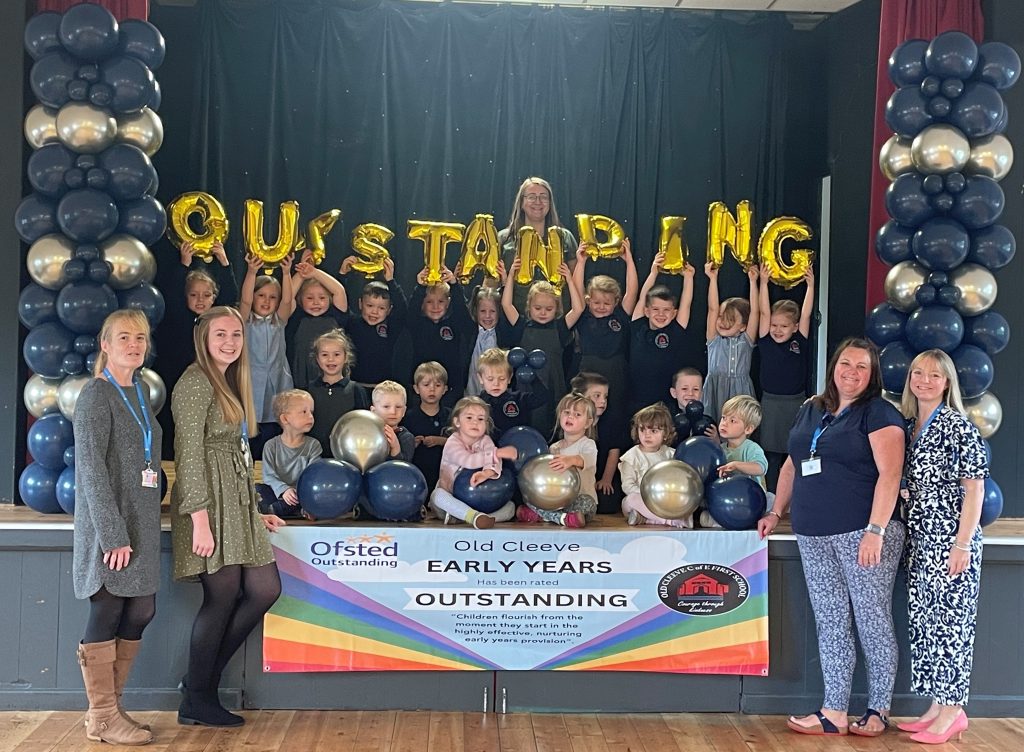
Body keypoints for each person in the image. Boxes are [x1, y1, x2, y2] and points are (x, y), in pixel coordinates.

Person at [758, 337, 906, 738]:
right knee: (831, 623)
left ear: (872, 373)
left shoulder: (879, 414)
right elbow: (792, 462)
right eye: (845, 364)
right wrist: (776, 511)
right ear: (833, 367)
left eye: (861, 366)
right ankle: (834, 711)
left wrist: (875, 530)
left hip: (864, 533)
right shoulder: (812, 409)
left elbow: (891, 475)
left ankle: (877, 709)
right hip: (813, 533)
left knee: (872, 621)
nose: (851, 373)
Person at [171, 306, 285, 727]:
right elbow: (189, 453)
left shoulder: (228, 381)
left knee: (263, 588)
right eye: (221, 334)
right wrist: (199, 518)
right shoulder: (195, 382)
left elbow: (237, 451)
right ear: (204, 338)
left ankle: (199, 684)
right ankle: (199, 697)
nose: (230, 342)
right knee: (220, 597)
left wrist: (256, 510)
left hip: (235, 499)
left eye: (236, 334)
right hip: (209, 502)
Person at [73, 310, 162, 746]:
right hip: (111, 526)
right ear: (105, 344)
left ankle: (112, 707)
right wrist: (113, 533)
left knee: (141, 610)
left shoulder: (140, 391)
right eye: (124, 337)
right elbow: (90, 469)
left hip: (140, 519)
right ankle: (102, 717)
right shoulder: (96, 395)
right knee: (108, 609)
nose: (134, 344)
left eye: (140, 338)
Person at [897, 349, 987, 744]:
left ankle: (953, 711)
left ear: (947, 382)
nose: (925, 380)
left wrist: (962, 543)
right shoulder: (909, 424)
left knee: (952, 625)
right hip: (920, 540)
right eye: (918, 372)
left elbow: (975, 488)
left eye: (935, 375)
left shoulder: (957, 425)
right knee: (928, 624)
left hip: (951, 539)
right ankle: (937, 706)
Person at [501, 257, 584, 432]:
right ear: (529, 306)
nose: (543, 313)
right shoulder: (522, 325)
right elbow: (506, 304)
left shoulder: (560, 328)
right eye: (538, 308)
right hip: (525, 389)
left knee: (550, 428)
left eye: (549, 309)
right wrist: (510, 276)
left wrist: (569, 279)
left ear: (557, 308)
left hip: (553, 388)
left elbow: (578, 309)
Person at [570, 239, 638, 445]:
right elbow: (576, 289)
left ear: (615, 302)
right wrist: (580, 262)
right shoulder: (583, 314)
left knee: (614, 417)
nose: (601, 307)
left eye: (607, 303)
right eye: (596, 302)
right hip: (588, 369)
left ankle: (609, 469)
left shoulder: (619, 316)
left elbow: (632, 292)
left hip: (615, 370)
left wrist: (629, 261)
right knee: (584, 415)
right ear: (588, 299)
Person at [757, 265, 814, 489]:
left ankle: (793, 495)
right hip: (771, 402)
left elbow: (807, 313)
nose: (777, 330)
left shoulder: (798, 340)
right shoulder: (766, 340)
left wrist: (810, 286)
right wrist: (763, 284)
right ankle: (771, 495)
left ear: (795, 327)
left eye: (783, 326)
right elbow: (762, 311)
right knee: (771, 452)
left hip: (795, 402)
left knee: (794, 451)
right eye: (774, 325)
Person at [429, 396, 519, 527]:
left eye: (480, 419)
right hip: (451, 497)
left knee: (510, 507)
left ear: (486, 424)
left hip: (480, 501)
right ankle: (471, 516)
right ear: (457, 422)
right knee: (437, 496)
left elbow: (495, 462)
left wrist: (486, 473)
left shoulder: (486, 440)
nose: (475, 422)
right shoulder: (452, 442)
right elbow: (467, 460)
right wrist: (497, 453)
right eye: (469, 418)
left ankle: (477, 518)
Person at [240, 252, 296, 458]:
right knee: (249, 433)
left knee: (273, 432)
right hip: (251, 384)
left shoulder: (278, 321)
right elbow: (245, 302)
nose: (266, 301)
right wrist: (252, 272)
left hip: (276, 384)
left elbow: (288, 299)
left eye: (273, 297)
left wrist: (287, 273)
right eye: (261, 295)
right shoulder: (245, 320)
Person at [629, 252, 698, 413]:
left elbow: (686, 304)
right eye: (656, 309)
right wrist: (653, 272)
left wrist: (688, 278)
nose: (661, 314)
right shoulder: (639, 326)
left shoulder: (675, 330)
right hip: (637, 400)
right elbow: (642, 298)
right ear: (647, 311)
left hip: (665, 403)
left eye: (667, 310)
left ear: (674, 313)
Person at [516, 392, 598, 528]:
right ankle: (561, 518)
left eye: (577, 414)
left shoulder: (587, 444)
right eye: (566, 412)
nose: (570, 416)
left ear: (588, 422)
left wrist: (571, 460)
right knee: (528, 499)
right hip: (556, 501)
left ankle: (542, 516)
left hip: (579, 500)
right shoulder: (554, 448)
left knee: (587, 503)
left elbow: (589, 460)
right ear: (560, 415)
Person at [496, 177, 577, 312]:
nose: (538, 202)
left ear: (550, 203)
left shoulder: (565, 237)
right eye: (531, 197)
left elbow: (576, 283)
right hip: (514, 320)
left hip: (558, 322)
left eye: (543, 197)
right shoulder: (504, 238)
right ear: (521, 202)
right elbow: (491, 282)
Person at [408, 266, 475, 406]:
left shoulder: (454, 323)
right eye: (429, 302)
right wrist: (420, 287)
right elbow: (411, 312)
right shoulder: (417, 324)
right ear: (422, 304)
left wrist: (454, 285)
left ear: (448, 302)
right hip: (422, 389)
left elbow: (463, 314)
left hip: (451, 388)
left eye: (441, 301)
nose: (435, 306)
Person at [702, 262, 760, 420]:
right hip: (716, 390)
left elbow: (755, 312)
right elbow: (713, 308)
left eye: (730, 320)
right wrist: (713, 279)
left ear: (743, 326)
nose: (723, 323)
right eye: (722, 317)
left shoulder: (745, 340)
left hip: (740, 391)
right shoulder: (714, 339)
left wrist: (753, 282)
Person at [339, 258, 408, 390]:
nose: (374, 312)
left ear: (389, 310)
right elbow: (340, 302)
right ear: (360, 304)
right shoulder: (353, 323)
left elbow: (402, 309)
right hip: (355, 387)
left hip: (383, 389)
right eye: (369, 305)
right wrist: (343, 274)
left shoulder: (391, 327)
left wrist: (391, 281)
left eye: (381, 308)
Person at [703, 395, 769, 528]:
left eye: (733, 420)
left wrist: (736, 465)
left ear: (748, 429)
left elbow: (760, 468)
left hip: (747, 501)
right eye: (723, 418)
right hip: (725, 499)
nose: (724, 423)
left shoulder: (751, 448)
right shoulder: (721, 449)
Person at [255, 389, 322, 519]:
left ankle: (296, 509)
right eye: (304, 412)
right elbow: (268, 476)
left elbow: (312, 476)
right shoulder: (271, 446)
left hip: (302, 494)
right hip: (278, 493)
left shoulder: (313, 445)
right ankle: (281, 509)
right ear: (285, 418)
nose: (310, 417)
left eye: (311, 412)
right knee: (259, 490)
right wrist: (284, 490)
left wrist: (298, 493)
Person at [284, 260, 348, 390]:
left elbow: (339, 290)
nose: (316, 303)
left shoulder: (336, 314)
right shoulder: (296, 317)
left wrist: (314, 272)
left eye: (322, 298)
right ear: (300, 299)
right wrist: (302, 272)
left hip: (332, 378)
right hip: (301, 380)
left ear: (329, 299)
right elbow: (287, 297)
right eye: (309, 298)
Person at [307, 329, 369, 456]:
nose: (331, 359)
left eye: (336, 354)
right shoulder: (308, 391)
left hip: (347, 455)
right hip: (314, 456)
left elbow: (363, 426)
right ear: (317, 359)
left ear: (346, 357)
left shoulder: (356, 390)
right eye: (324, 355)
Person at [619, 403, 683, 527]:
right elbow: (627, 485)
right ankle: (666, 520)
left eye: (653, 431)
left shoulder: (671, 454)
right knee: (629, 501)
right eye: (642, 430)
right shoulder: (631, 456)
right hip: (642, 499)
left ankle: (649, 520)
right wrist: (649, 496)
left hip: (665, 500)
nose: (647, 435)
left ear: (665, 434)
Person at [570, 371, 626, 514]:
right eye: (597, 396)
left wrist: (606, 480)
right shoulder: (571, 421)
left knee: (607, 503)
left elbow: (613, 452)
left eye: (605, 397)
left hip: (600, 476)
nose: (602, 401)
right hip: (577, 478)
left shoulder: (610, 423)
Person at [476, 347, 550, 439]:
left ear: (510, 378)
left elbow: (542, 397)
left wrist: (531, 376)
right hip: (486, 450)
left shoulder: (518, 399)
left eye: (502, 379)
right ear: (480, 378)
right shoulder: (476, 404)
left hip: (517, 448)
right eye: (490, 379)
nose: (496, 383)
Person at [404, 361, 451, 490]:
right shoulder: (408, 417)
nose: (432, 389)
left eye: (437, 385)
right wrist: (411, 443)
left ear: (445, 389)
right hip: (416, 474)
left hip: (444, 473)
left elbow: (463, 443)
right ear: (416, 388)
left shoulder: (451, 416)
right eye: (426, 384)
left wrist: (441, 441)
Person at [464, 284, 503, 397]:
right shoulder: (470, 331)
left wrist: (506, 283)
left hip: (498, 396)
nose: (487, 316)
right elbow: (460, 307)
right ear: (476, 311)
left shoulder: (503, 334)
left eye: (492, 311)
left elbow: (507, 304)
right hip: (472, 393)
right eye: (483, 311)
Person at [370, 380, 415, 461]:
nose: (393, 412)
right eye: (386, 406)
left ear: (404, 411)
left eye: (398, 407)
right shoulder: (368, 434)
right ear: (373, 411)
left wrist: (395, 448)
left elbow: (403, 470)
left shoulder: (407, 438)